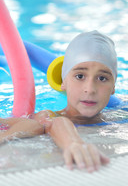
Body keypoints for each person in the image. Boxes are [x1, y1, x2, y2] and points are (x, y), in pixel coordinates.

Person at [34, 30, 117, 172]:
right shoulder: (48, 115)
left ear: (113, 87)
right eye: (80, 76)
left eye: (102, 78)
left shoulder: (122, 117)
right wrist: (72, 143)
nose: (90, 89)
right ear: (63, 81)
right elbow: (54, 123)